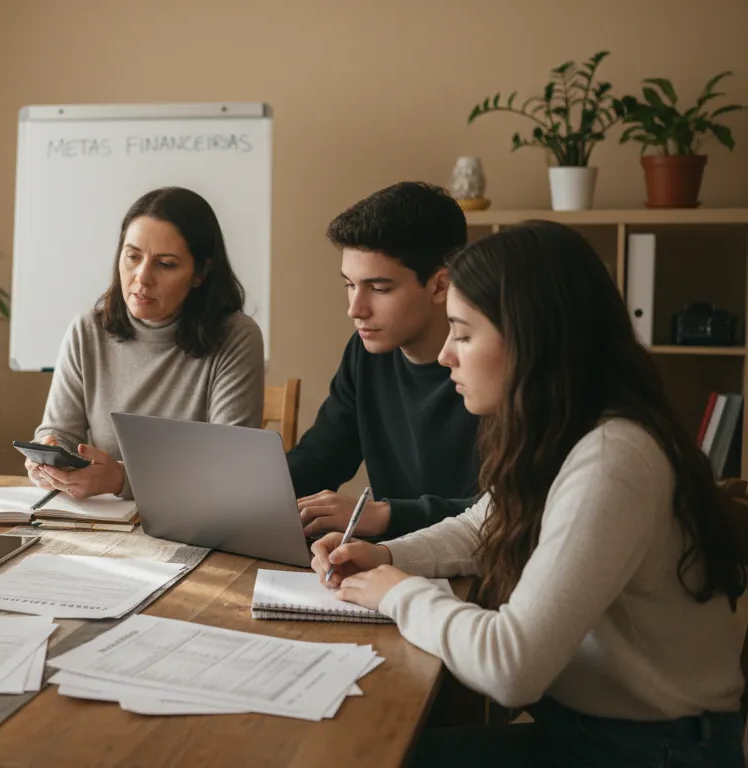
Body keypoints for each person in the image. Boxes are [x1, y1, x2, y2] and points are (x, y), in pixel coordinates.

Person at [312, 221, 747, 767]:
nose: (446, 355)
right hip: (592, 733)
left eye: (464, 334)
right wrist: (388, 555)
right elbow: (480, 524)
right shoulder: (564, 431)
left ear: (532, 340)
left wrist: (395, 591)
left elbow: (509, 666)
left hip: (652, 751)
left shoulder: (614, 457)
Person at [28, 186, 265, 499]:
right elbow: (59, 432)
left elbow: (226, 470)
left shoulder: (236, 336)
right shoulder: (87, 330)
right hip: (104, 521)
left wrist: (121, 480)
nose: (142, 277)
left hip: (194, 522)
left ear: (201, 272)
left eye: (165, 264)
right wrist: (50, 454)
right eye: (132, 257)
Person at [287, 181, 480, 539]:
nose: (354, 309)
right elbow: (322, 456)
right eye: (349, 284)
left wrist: (386, 515)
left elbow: (504, 512)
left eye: (378, 288)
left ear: (440, 285)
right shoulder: (365, 351)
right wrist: (259, 496)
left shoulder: (492, 365)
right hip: (389, 563)